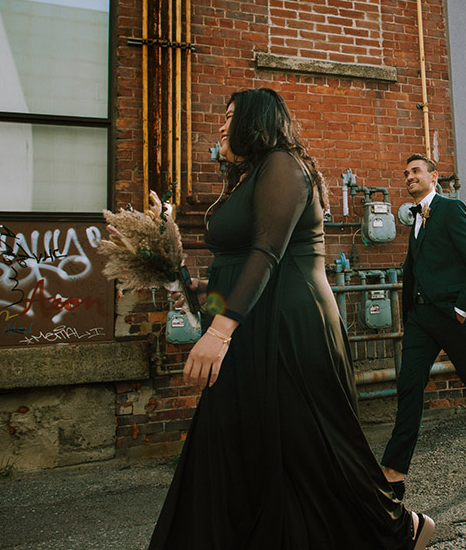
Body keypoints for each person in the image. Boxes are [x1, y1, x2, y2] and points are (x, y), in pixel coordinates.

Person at [150, 88, 434, 549]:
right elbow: (241, 262)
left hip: (291, 326)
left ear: (254, 121)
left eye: (229, 117)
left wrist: (218, 333)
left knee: (312, 445)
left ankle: (404, 528)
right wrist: (209, 294)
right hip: (251, 322)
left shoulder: (282, 165)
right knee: (245, 444)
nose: (220, 126)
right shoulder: (247, 177)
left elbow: (266, 253)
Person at [380, 154, 466, 499]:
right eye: (406, 172)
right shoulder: (416, 219)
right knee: (409, 387)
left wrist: (460, 309)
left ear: (433, 176)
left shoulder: (451, 209)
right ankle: (393, 472)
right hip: (420, 319)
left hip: (452, 317)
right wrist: (409, 312)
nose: (409, 176)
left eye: (416, 171)